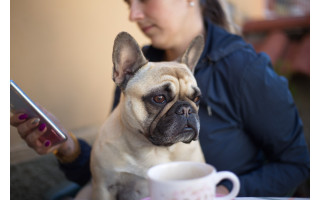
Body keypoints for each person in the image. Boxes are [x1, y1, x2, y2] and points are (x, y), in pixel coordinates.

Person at [11, 0, 309, 197]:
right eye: (129, 3)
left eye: (145, 0)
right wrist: (68, 146)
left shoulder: (245, 70)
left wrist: (218, 192)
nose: (134, 14)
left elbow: (298, 164)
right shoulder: (140, 71)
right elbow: (113, 173)